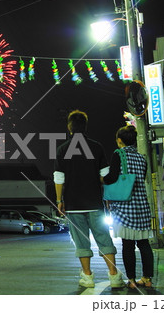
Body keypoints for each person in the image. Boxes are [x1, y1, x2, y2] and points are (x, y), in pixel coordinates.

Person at [54, 109, 124, 289]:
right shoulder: (96, 147)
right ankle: (114, 276)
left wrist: (59, 200)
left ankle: (87, 276)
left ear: (69, 127)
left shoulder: (62, 149)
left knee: (81, 241)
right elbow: (105, 176)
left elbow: (59, 178)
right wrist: (105, 194)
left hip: (73, 204)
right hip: (94, 203)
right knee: (104, 238)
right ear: (85, 127)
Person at [102, 125, 153, 289]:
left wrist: (101, 179)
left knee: (128, 245)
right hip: (142, 206)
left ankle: (131, 280)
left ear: (119, 140)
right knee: (144, 244)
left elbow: (112, 177)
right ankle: (147, 278)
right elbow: (141, 178)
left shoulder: (119, 154)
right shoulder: (141, 158)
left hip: (125, 206)